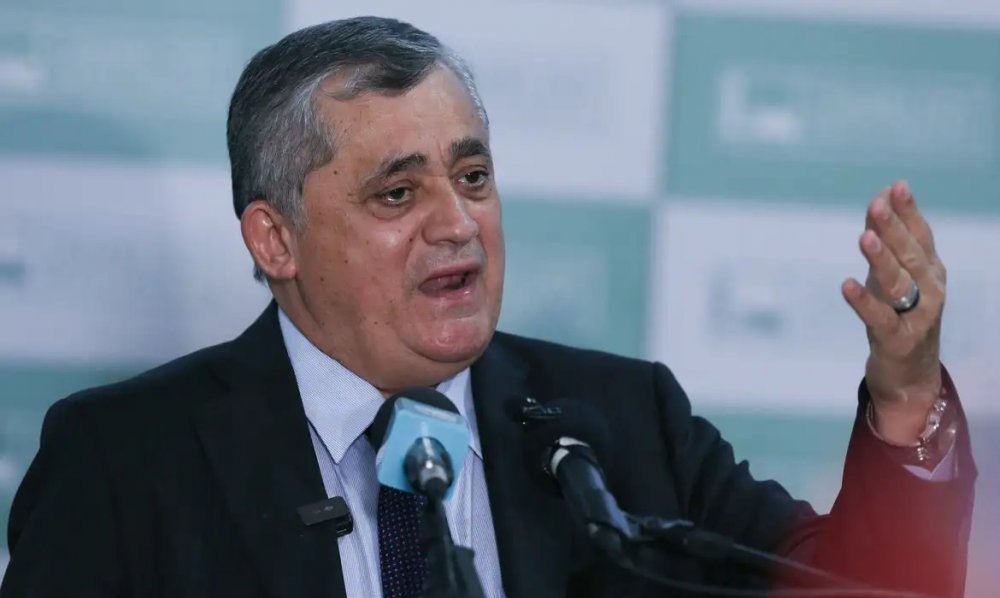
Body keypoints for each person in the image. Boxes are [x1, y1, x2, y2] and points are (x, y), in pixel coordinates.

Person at [0, 16, 976, 598]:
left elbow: (865, 584)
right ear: (275, 240)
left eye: (472, 177)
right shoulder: (124, 463)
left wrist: (905, 394)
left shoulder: (622, 424)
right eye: (397, 193)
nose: (458, 223)